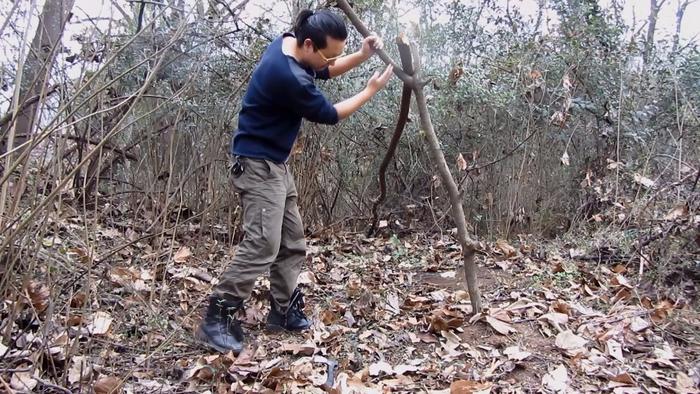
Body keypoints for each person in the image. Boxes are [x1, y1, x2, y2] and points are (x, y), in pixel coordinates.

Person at [196, 8, 393, 354]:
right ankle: (218, 317)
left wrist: (362, 55)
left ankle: (283, 311)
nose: (331, 61)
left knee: (292, 242)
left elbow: (325, 69)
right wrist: (370, 90)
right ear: (308, 44)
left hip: (276, 165)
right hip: (258, 167)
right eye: (328, 53)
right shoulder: (287, 76)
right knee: (262, 244)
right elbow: (331, 114)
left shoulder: (288, 44)